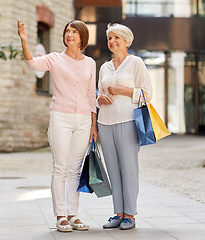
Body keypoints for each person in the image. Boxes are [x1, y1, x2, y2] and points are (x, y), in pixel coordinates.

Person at [17, 19, 97, 232]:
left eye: (74, 31)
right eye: (67, 31)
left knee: (75, 169)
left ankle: (73, 215)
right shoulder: (54, 59)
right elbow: (33, 62)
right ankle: (60, 216)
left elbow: (91, 95)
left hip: (83, 121)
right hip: (60, 117)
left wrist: (93, 125)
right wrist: (24, 40)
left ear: (82, 37)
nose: (69, 34)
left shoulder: (90, 63)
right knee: (60, 168)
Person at [96, 23, 153, 230]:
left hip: (128, 121)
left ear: (127, 41)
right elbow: (97, 94)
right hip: (105, 123)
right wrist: (99, 98)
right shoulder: (104, 67)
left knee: (129, 169)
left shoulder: (136, 63)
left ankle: (130, 214)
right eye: (110, 38)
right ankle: (118, 213)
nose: (112, 41)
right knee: (113, 169)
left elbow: (147, 94)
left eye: (116, 38)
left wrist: (123, 90)